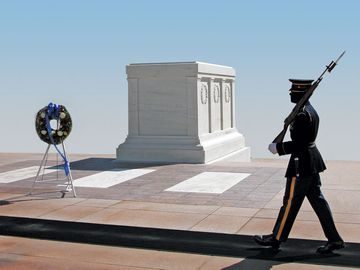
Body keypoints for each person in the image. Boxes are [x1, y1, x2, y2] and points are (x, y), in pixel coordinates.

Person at [254, 79, 345, 254]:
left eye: (293, 92)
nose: (290, 94)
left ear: (301, 94)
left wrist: (279, 148)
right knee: (318, 202)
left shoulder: (303, 115)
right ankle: (335, 240)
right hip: (311, 162)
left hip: (301, 164)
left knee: (290, 203)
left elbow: (300, 143)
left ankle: (277, 237)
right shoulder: (309, 111)